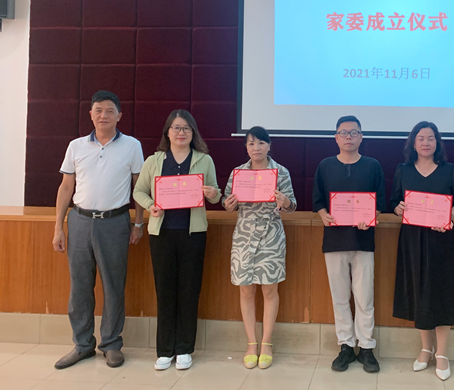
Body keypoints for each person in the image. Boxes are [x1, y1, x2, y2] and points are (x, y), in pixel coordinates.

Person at [52, 90, 145, 370]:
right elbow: (66, 187)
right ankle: (82, 344)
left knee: (114, 286)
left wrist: (138, 223)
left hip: (115, 222)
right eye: (98, 110)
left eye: (109, 111)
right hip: (80, 221)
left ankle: (111, 344)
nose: (103, 115)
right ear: (90, 114)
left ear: (119, 115)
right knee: (80, 286)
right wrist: (58, 227)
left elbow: (139, 187)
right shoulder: (76, 146)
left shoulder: (132, 146)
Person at [133, 110, 221, 371]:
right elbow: (139, 191)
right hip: (162, 235)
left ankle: (184, 349)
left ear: (193, 133)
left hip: (193, 234)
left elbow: (216, 195)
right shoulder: (154, 160)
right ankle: (164, 351)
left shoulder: (204, 160)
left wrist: (212, 193)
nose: (181, 133)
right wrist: (151, 206)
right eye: (176, 128)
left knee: (189, 290)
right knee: (165, 291)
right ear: (167, 132)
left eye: (186, 128)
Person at [389, 121, 454, 381]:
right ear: (413, 143)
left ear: (437, 142)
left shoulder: (450, 170)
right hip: (412, 240)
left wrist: (447, 216)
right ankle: (426, 349)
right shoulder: (402, 170)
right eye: (421, 138)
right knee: (418, 291)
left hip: (441, 240)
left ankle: (442, 353)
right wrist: (398, 208)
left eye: (430, 138)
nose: (426, 142)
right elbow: (393, 203)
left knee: (441, 292)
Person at [312, 115, 385, 373]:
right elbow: (318, 201)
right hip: (334, 240)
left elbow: (380, 203)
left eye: (354, 133)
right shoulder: (325, 166)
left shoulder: (373, 165)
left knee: (365, 297)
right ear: (336, 137)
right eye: (343, 133)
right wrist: (324, 215)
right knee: (340, 297)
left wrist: (371, 217)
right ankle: (345, 345)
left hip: (363, 241)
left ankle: (366, 347)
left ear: (361, 137)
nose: (348, 137)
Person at [222, 126, 297, 370]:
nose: (257, 148)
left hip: (270, 237)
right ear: (246, 147)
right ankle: (251, 344)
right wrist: (229, 204)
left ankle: (266, 343)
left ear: (269, 146)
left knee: (269, 290)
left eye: (261, 143)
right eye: (252, 143)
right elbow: (227, 202)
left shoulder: (281, 172)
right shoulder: (238, 173)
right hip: (244, 237)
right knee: (245, 291)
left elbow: (292, 206)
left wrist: (285, 202)